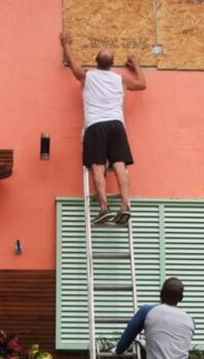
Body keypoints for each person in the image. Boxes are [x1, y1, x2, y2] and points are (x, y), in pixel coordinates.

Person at [60, 32, 147, 225]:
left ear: (96, 61)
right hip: (117, 125)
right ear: (111, 64)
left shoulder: (87, 76)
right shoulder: (120, 80)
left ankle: (104, 207)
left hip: (96, 125)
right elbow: (142, 84)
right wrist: (137, 66)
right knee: (119, 166)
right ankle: (125, 206)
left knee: (97, 166)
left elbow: (73, 66)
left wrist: (66, 44)